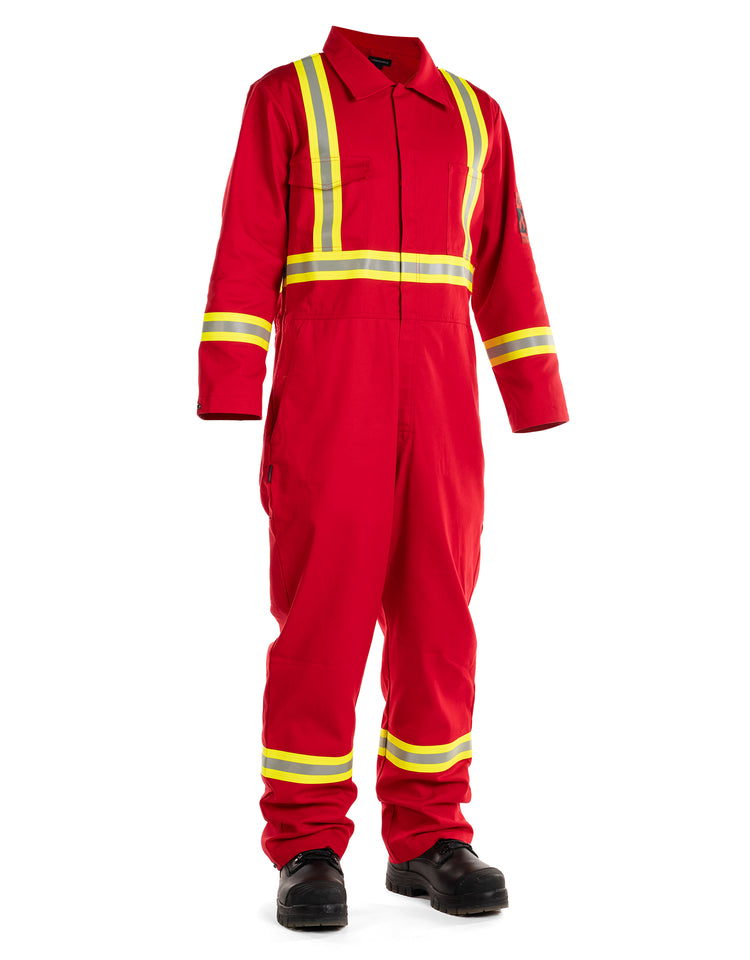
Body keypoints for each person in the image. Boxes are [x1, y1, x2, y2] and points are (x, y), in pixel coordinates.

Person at [197, 24, 568, 929]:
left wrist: (535, 390)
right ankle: (307, 844)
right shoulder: (286, 99)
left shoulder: (476, 115)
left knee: (440, 615)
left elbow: (504, 265)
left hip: (442, 404)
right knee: (321, 619)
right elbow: (248, 244)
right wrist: (231, 378)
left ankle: (429, 833)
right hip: (330, 399)